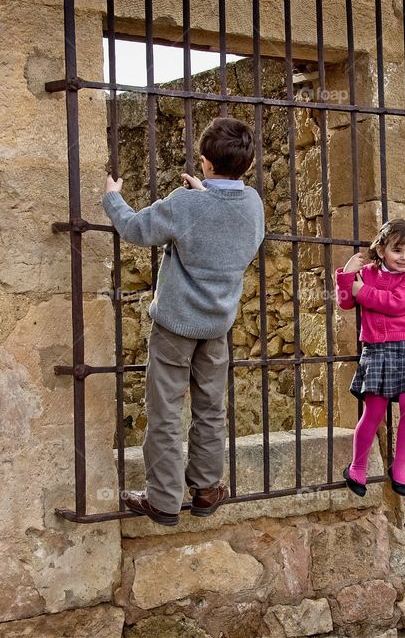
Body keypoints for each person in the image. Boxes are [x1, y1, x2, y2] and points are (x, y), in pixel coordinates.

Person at [102, 117, 264, 526]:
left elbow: (135, 229)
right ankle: (207, 487)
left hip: (175, 325)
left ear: (205, 162)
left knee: (165, 411)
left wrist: (113, 198)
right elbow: (225, 223)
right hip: (218, 325)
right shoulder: (253, 204)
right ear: (249, 163)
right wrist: (207, 195)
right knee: (211, 409)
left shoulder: (185, 203)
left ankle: (163, 499)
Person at [334, 219, 405, 498]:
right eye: (397, 250)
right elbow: (345, 301)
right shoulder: (366, 274)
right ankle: (357, 467)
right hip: (378, 350)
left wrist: (361, 291)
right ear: (381, 250)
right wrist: (347, 275)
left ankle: (399, 465)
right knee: (374, 411)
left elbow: (396, 304)